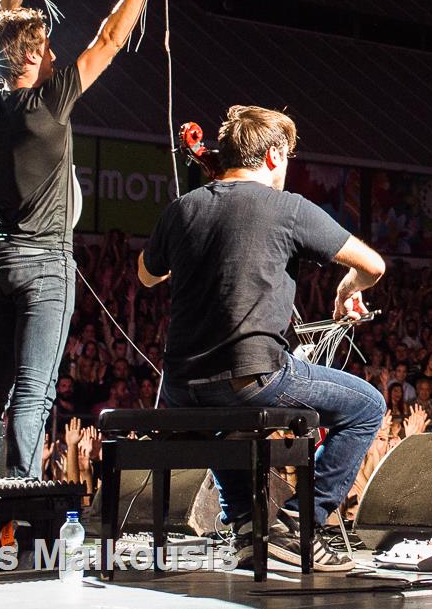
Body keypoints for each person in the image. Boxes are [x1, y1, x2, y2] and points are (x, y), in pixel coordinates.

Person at [138, 105, 386, 574]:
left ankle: (250, 535)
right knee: (367, 406)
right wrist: (346, 289)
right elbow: (373, 265)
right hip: (250, 377)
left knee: (225, 423)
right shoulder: (288, 208)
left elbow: (147, 276)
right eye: (288, 157)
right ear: (273, 156)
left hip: (180, 387)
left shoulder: (182, 209)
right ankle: (299, 528)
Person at [0, 0, 178, 479]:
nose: (56, 55)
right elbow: (110, 37)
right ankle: (14, 500)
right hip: (41, 265)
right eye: (45, 47)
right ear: (32, 55)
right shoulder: (46, 103)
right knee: (34, 392)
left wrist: (8, 13)